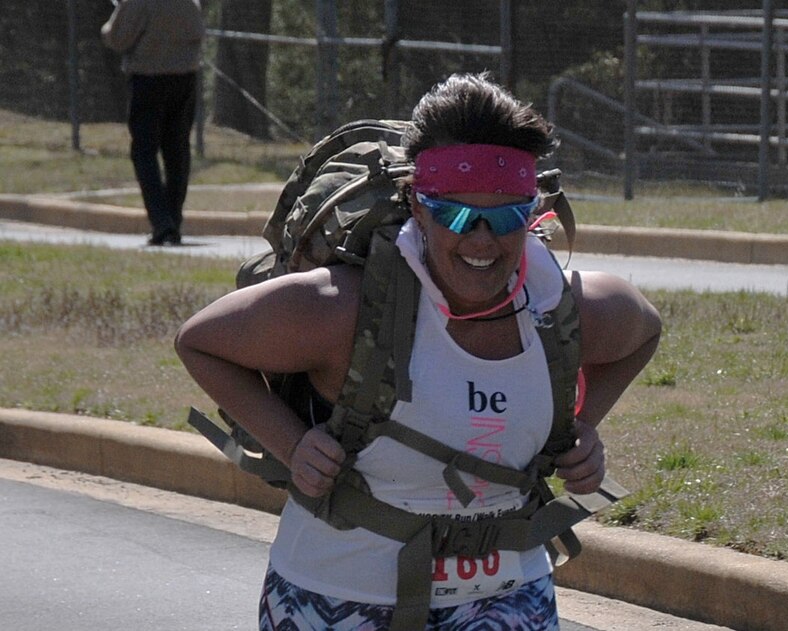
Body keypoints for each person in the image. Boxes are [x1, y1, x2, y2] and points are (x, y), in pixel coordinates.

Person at [175, 73, 661, 630]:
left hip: (507, 596)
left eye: (507, 217)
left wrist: (578, 427)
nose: (481, 239)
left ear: (534, 212)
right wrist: (292, 444)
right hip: (337, 595)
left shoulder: (568, 310)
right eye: (454, 214)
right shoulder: (340, 309)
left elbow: (645, 332)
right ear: (417, 206)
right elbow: (200, 341)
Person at [101, 0, 205, 246]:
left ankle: (161, 223)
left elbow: (118, 38)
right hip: (184, 79)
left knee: (144, 152)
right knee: (177, 151)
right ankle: (173, 219)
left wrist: (107, 28)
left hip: (148, 79)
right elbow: (199, 32)